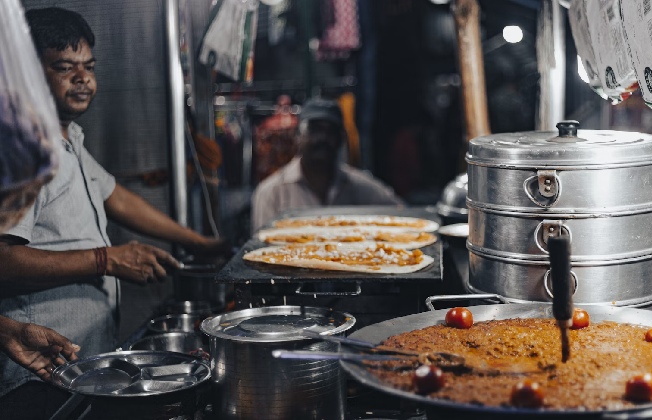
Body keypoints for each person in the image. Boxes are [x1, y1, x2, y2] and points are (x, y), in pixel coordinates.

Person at [0, 8, 225, 416]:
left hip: (78, 366)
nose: (83, 78)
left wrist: (202, 243)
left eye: (88, 67)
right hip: (34, 375)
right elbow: (3, 260)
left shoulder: (67, 139)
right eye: (64, 67)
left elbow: (117, 197)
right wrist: (106, 259)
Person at [251, 98, 403, 229]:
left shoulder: (363, 189)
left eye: (331, 131)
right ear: (298, 136)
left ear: (341, 138)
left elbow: (403, 215)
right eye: (314, 129)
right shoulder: (271, 193)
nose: (322, 138)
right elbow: (261, 248)